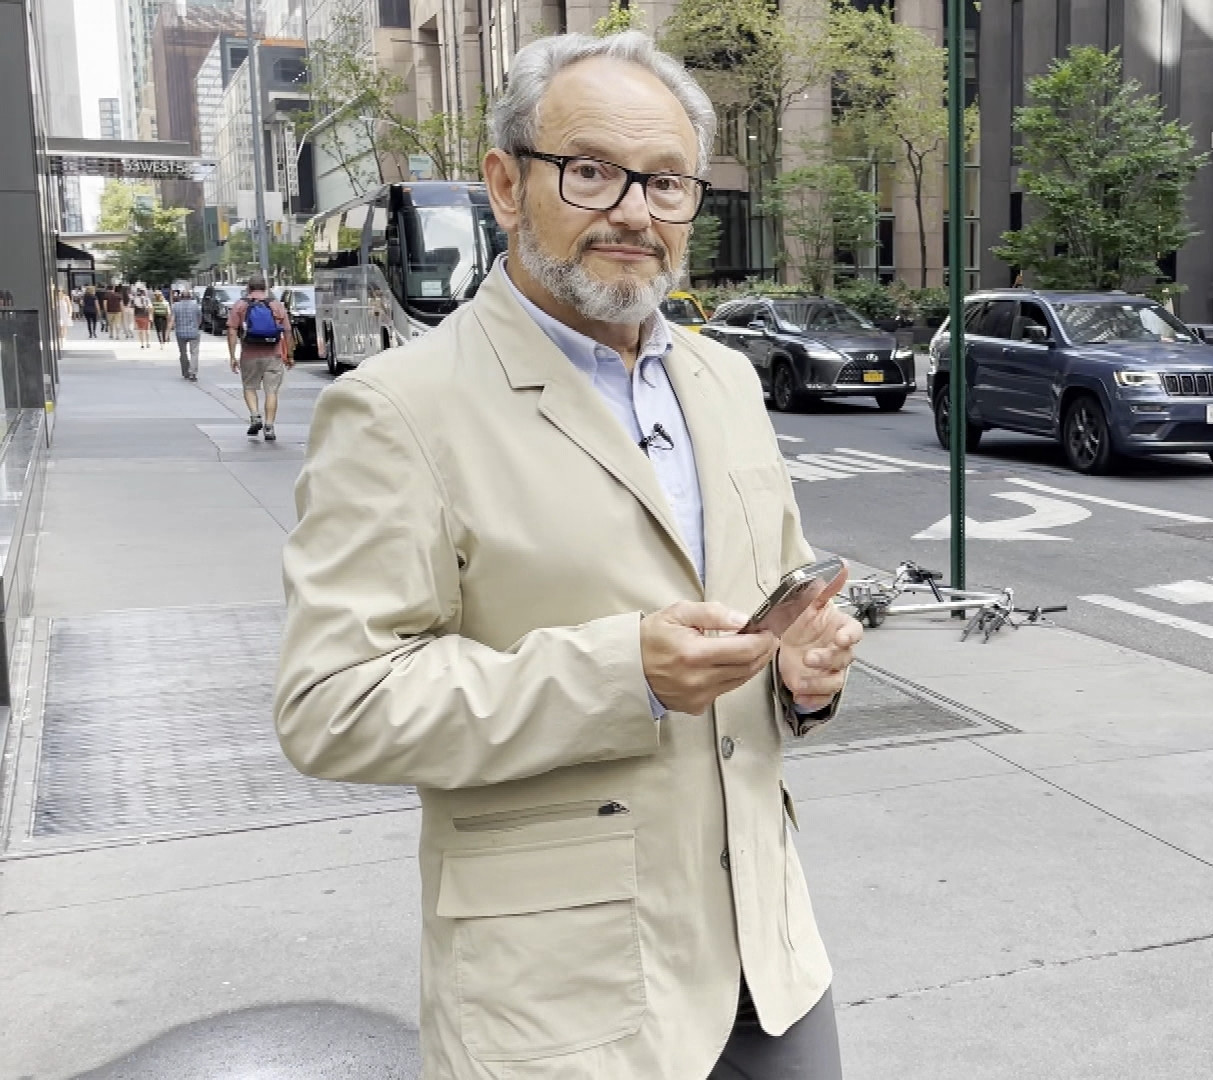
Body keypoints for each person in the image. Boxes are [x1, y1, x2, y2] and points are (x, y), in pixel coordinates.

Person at [275, 29, 861, 1080]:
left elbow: (770, 611)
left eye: (668, 181)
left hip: (769, 961)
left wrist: (802, 676)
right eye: (590, 171)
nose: (635, 210)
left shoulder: (727, 383)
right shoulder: (399, 409)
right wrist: (620, 672)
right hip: (561, 1003)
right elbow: (333, 703)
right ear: (506, 184)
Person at [226, 277, 293, 440]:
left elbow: (232, 330)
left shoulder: (240, 305)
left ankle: (255, 415)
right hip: (273, 354)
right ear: (265, 288)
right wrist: (289, 354)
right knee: (271, 391)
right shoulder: (276, 305)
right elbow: (288, 331)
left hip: (249, 354)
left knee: (249, 387)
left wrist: (232, 356)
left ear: (248, 288)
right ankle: (269, 427)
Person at [169, 288, 202, 381]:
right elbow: (199, 318)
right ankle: (193, 372)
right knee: (194, 352)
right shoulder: (196, 305)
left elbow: (172, 319)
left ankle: (185, 372)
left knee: (183, 353)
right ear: (190, 296)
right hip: (194, 332)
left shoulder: (175, 306)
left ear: (180, 297)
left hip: (180, 332)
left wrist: (167, 333)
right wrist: (196, 326)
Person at [132, 283, 153, 348]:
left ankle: (142, 344)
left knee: (140, 330)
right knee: (147, 330)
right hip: (146, 316)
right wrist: (151, 315)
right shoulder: (147, 299)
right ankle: (148, 343)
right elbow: (150, 308)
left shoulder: (135, 299)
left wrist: (134, 318)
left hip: (138, 316)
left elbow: (134, 308)